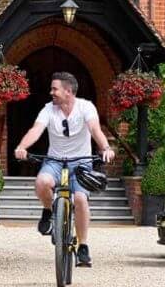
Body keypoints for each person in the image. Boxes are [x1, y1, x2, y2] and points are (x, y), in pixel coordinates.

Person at [14, 71, 115, 268]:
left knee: (79, 199)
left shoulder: (86, 107)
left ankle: (83, 246)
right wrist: (22, 147)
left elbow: (95, 129)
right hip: (55, 160)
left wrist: (106, 148)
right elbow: (36, 130)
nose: (51, 92)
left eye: (54, 89)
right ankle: (48, 210)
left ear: (68, 91)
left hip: (81, 162)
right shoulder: (48, 110)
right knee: (42, 182)